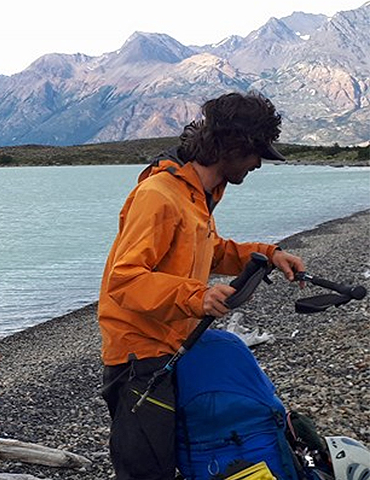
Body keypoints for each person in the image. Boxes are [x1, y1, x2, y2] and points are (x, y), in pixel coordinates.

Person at [97, 91, 306, 480]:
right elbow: (123, 281)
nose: (259, 162)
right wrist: (198, 296)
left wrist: (266, 253)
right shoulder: (159, 196)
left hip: (174, 344)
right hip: (138, 356)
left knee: (183, 455)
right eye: (255, 152)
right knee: (146, 470)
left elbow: (209, 251)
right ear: (232, 146)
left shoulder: (198, 194)